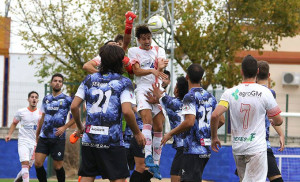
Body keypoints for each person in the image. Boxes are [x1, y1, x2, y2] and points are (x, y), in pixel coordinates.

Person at [71, 44, 146, 182]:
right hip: (112, 141)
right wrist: (137, 133)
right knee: (119, 178)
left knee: (87, 176)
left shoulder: (89, 79)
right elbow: (127, 112)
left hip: (90, 139)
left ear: (102, 60)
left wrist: (80, 127)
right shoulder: (124, 82)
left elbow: (74, 106)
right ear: (120, 61)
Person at [210, 55, 283, 182]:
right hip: (256, 148)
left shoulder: (230, 93)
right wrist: (274, 121)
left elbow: (215, 115)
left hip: (238, 147)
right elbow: (278, 120)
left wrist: (214, 137)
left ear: (241, 71)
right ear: (257, 71)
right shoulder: (265, 92)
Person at [161, 64, 222, 182]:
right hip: (206, 149)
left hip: (193, 150)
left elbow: (189, 122)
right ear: (202, 78)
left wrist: (170, 133)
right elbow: (222, 120)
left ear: (187, 76)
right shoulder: (210, 97)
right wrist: (209, 133)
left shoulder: (189, 97)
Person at [128, 24, 168, 179]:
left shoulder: (158, 50)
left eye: (149, 38)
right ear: (138, 39)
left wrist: (162, 68)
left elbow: (161, 70)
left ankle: (156, 164)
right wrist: (152, 70)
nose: (146, 41)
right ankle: (148, 156)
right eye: (143, 38)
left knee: (159, 125)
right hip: (143, 88)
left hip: (156, 88)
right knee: (147, 120)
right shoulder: (133, 51)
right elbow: (136, 70)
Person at [35, 73, 74, 182]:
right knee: (38, 163)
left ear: (62, 84)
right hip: (44, 137)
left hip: (58, 137)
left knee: (57, 166)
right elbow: (43, 117)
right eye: (55, 80)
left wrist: (64, 127)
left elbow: (76, 117)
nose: (57, 83)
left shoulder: (67, 99)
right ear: (51, 83)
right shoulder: (46, 99)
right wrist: (37, 134)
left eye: (60, 81)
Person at [149, 76, 188, 182]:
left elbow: (157, 91)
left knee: (175, 176)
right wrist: (157, 100)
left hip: (182, 148)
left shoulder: (171, 102)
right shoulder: (192, 103)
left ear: (177, 90)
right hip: (194, 146)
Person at [257, 60, 284, 182]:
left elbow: (269, 117)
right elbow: (275, 118)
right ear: (269, 75)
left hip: (244, 143)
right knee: (276, 179)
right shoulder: (269, 93)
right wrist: (281, 133)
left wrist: (280, 133)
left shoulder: (245, 92)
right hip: (261, 144)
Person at [5, 91, 41, 182]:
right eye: (32, 97)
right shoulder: (21, 112)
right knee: (24, 164)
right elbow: (14, 123)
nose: (34, 99)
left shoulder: (41, 114)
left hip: (35, 143)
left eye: (36, 97)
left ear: (38, 100)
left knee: (26, 169)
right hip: (23, 141)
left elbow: (42, 128)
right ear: (28, 99)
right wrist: (9, 134)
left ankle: (16, 180)